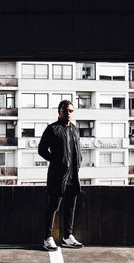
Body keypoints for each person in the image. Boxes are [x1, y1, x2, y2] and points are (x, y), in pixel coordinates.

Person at [38, 100, 84, 251]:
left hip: (73, 176)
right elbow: (42, 150)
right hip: (57, 176)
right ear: (59, 111)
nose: (68, 113)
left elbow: (77, 150)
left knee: (71, 207)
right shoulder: (52, 129)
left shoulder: (75, 130)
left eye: (70, 111)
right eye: (65, 111)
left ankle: (67, 237)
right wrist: (57, 161)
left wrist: (78, 162)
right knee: (53, 207)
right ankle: (47, 238)